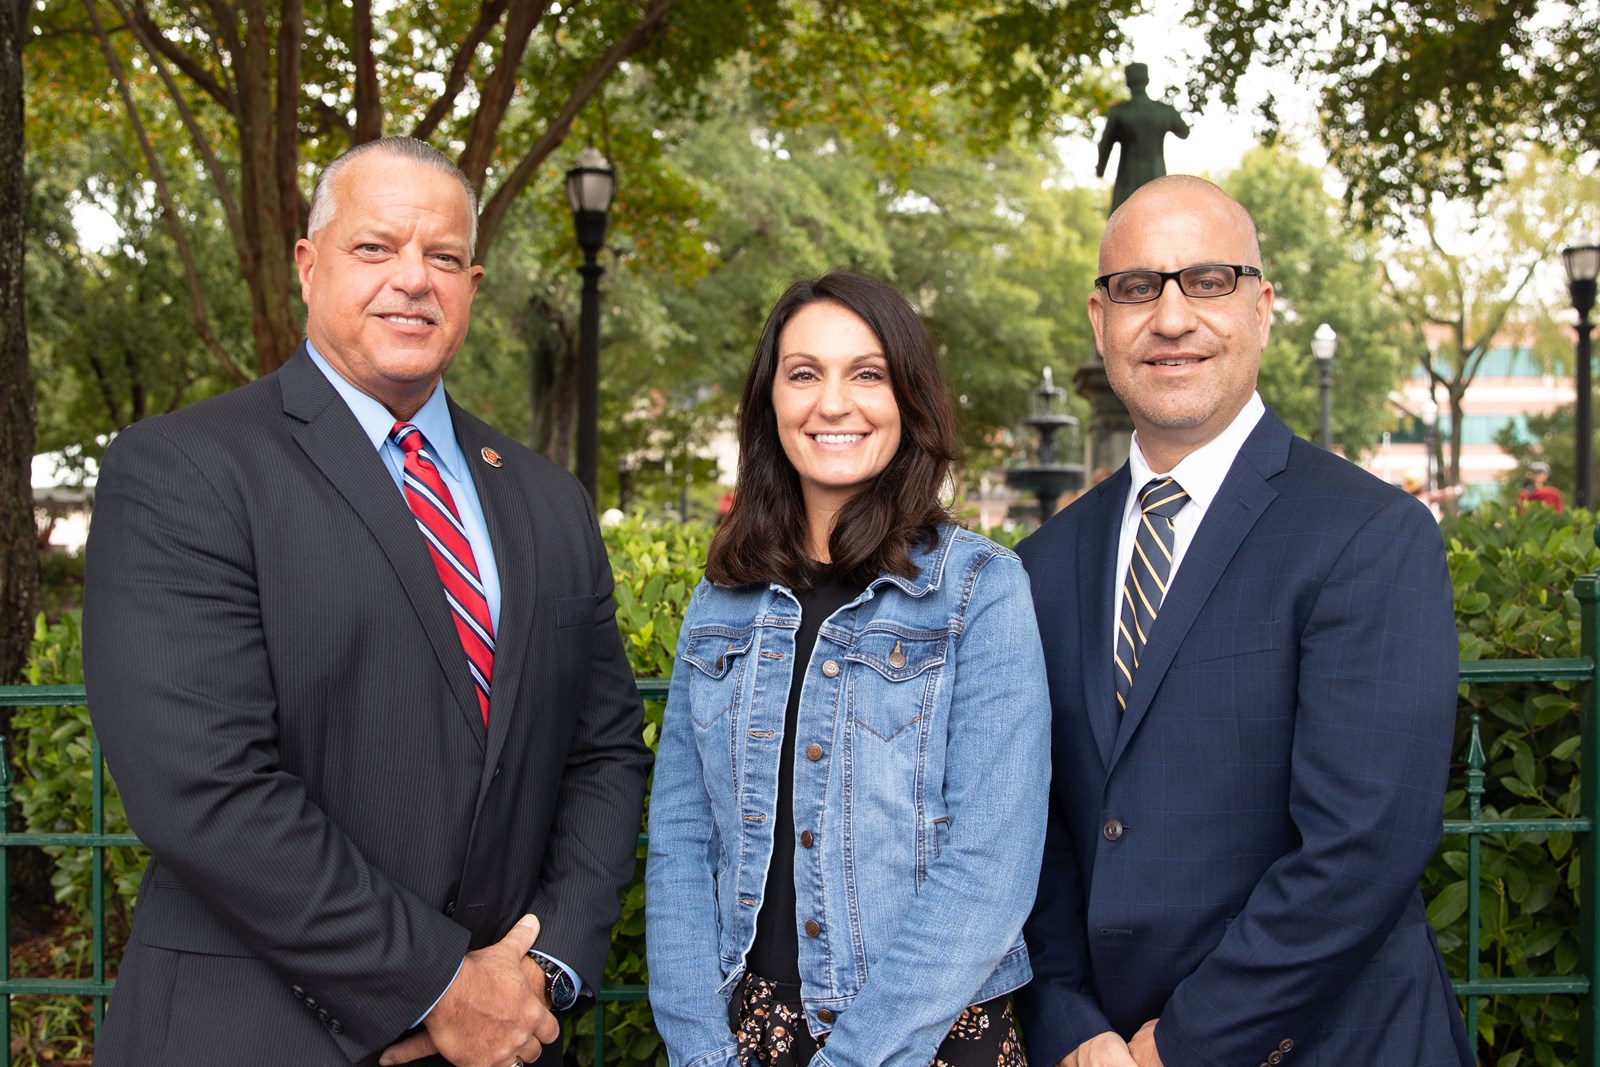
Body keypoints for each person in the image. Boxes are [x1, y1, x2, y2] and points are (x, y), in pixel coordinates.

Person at [82, 137, 652, 1067]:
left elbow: (602, 750)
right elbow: (205, 786)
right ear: (310, 266)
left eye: (441, 258)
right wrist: (436, 984)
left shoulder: (548, 498)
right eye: (375, 248)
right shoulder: (184, 470)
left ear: (472, 282)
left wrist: (535, 974)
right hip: (259, 1033)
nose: (411, 281)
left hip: (505, 1039)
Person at [1014, 176, 1472, 1067]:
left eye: (1209, 280)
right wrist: (1072, 1022)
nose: (1173, 316)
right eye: (1140, 286)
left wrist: (1175, 1047)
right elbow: (1037, 833)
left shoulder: (1370, 535)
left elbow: (1365, 843)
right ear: (1101, 320)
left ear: (1263, 309)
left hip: (1330, 1044)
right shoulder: (1041, 566)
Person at [645, 271, 1050, 1067]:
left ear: (909, 399)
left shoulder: (979, 591)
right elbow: (682, 841)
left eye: (867, 374)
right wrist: (700, 1052)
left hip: (928, 1036)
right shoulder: (722, 597)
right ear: (771, 401)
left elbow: (992, 863)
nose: (834, 403)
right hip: (745, 1036)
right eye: (805, 373)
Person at [1095, 63, 1190, 214]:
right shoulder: (1163, 110)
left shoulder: (1119, 112)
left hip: (1128, 177)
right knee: (1156, 217)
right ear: (1147, 80)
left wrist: (1100, 169)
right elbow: (1184, 132)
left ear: (1128, 82)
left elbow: (1105, 144)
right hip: (1156, 173)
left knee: (1123, 220)